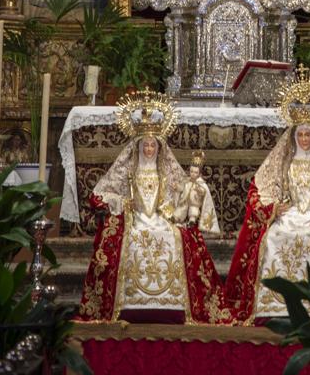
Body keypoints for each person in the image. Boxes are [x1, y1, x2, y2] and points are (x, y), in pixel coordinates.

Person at [79, 93, 229, 323]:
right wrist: (121, 202)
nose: (149, 149)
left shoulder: (165, 170)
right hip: (135, 217)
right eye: (145, 145)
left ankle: (174, 304)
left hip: (160, 217)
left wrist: (190, 194)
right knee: (129, 237)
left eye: (153, 145)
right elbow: (100, 194)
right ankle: (128, 304)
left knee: (176, 236)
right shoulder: (128, 169)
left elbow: (182, 192)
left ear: (159, 148)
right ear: (138, 147)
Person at [225, 70, 310, 322]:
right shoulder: (285, 159)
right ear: (295, 137)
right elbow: (263, 187)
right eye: (301, 135)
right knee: (276, 234)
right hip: (290, 213)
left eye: (309, 135)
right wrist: (274, 208)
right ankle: (271, 307)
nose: (305, 139)